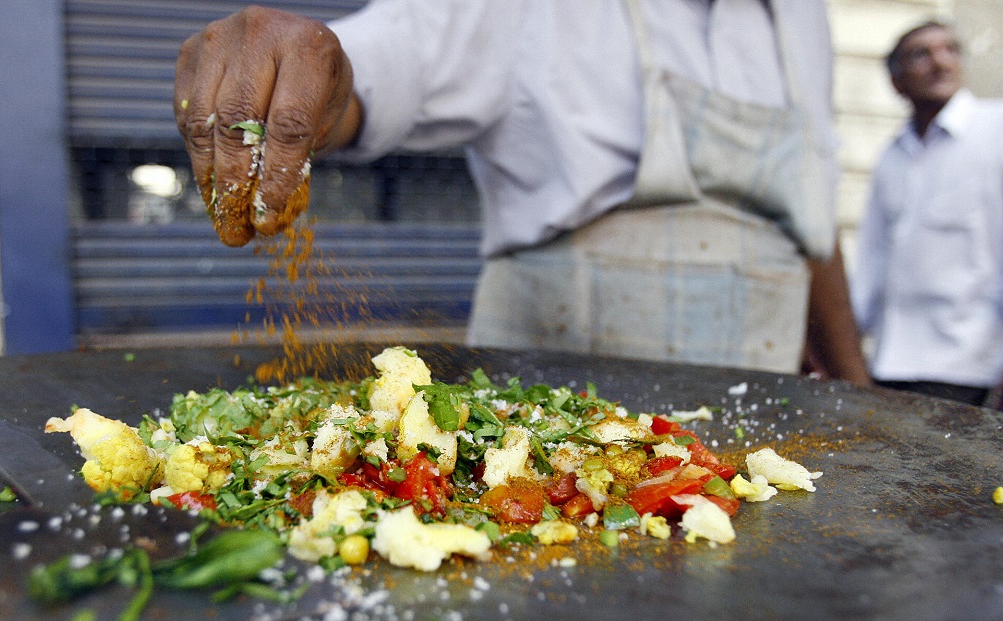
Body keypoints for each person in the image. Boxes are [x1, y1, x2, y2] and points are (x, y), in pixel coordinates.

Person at [174, 0, 870, 383]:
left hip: (766, 396)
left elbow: (812, 211)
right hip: (558, 392)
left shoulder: (802, 17)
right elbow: (381, 63)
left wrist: (861, 393)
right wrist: (308, 62)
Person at [852, 20, 1003, 406]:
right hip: (890, 364)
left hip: (975, 362)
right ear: (896, 82)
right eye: (921, 54)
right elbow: (871, 260)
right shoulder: (893, 154)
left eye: (950, 49)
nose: (941, 63)